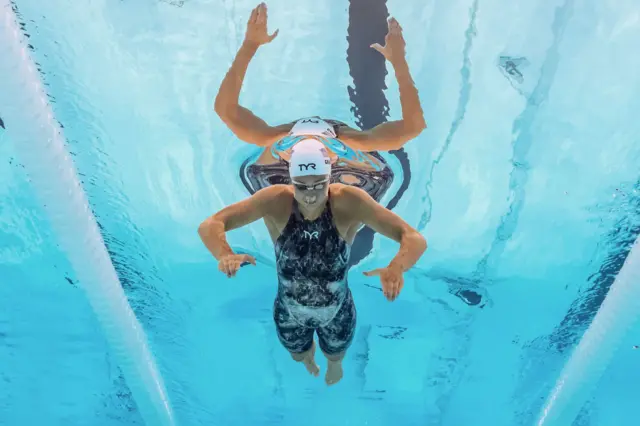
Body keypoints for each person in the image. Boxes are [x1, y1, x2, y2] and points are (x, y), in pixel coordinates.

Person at [198, 139, 427, 386]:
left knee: (336, 355)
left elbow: (413, 237)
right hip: (289, 312)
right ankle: (308, 358)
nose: (310, 196)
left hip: (337, 313)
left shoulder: (348, 201)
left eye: (319, 185)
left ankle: (333, 365)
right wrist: (224, 254)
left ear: (330, 178)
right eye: (301, 186)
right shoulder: (276, 201)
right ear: (291, 181)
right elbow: (211, 225)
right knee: (297, 356)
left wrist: (397, 267)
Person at [215, 3, 427, 203]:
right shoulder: (359, 145)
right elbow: (414, 125)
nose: (309, 136)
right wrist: (398, 59)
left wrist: (250, 44)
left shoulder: (267, 156)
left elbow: (225, 108)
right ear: (335, 155)